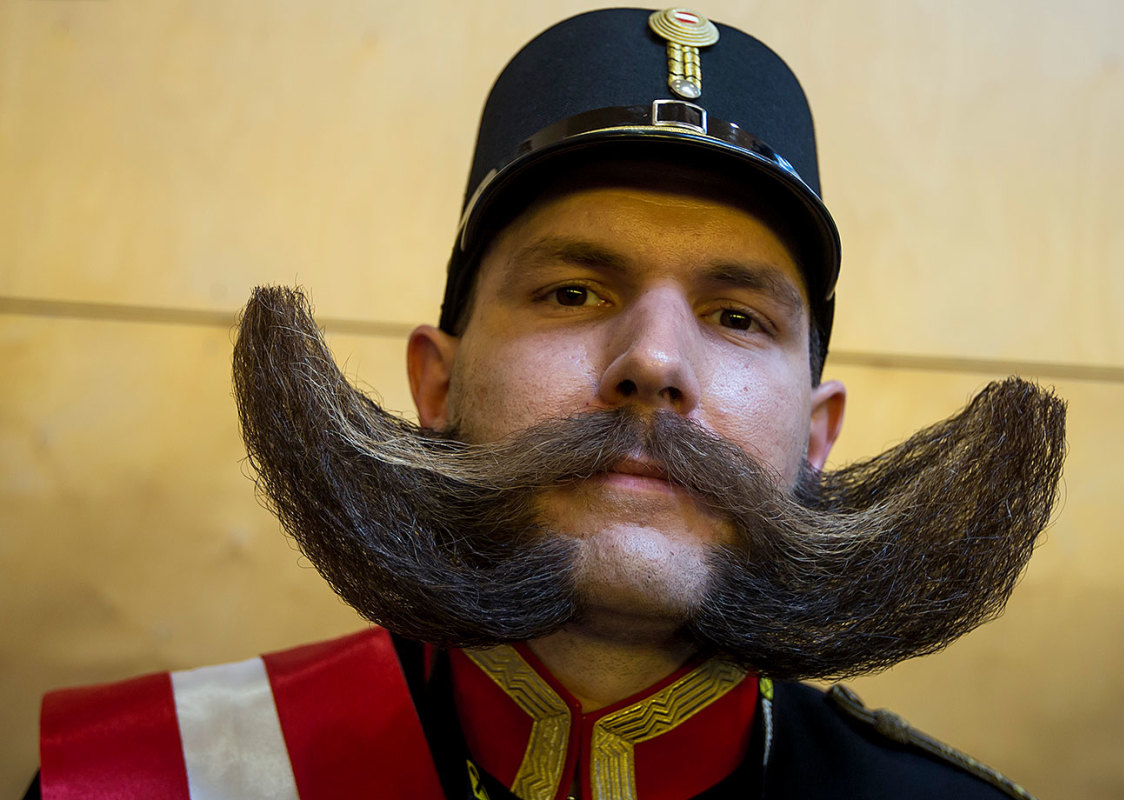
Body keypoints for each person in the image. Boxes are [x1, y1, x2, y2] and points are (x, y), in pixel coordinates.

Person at [28, 8, 1066, 799]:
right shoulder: (161, 774)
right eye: (573, 291)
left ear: (816, 435)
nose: (654, 360)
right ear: (438, 384)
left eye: (739, 317)